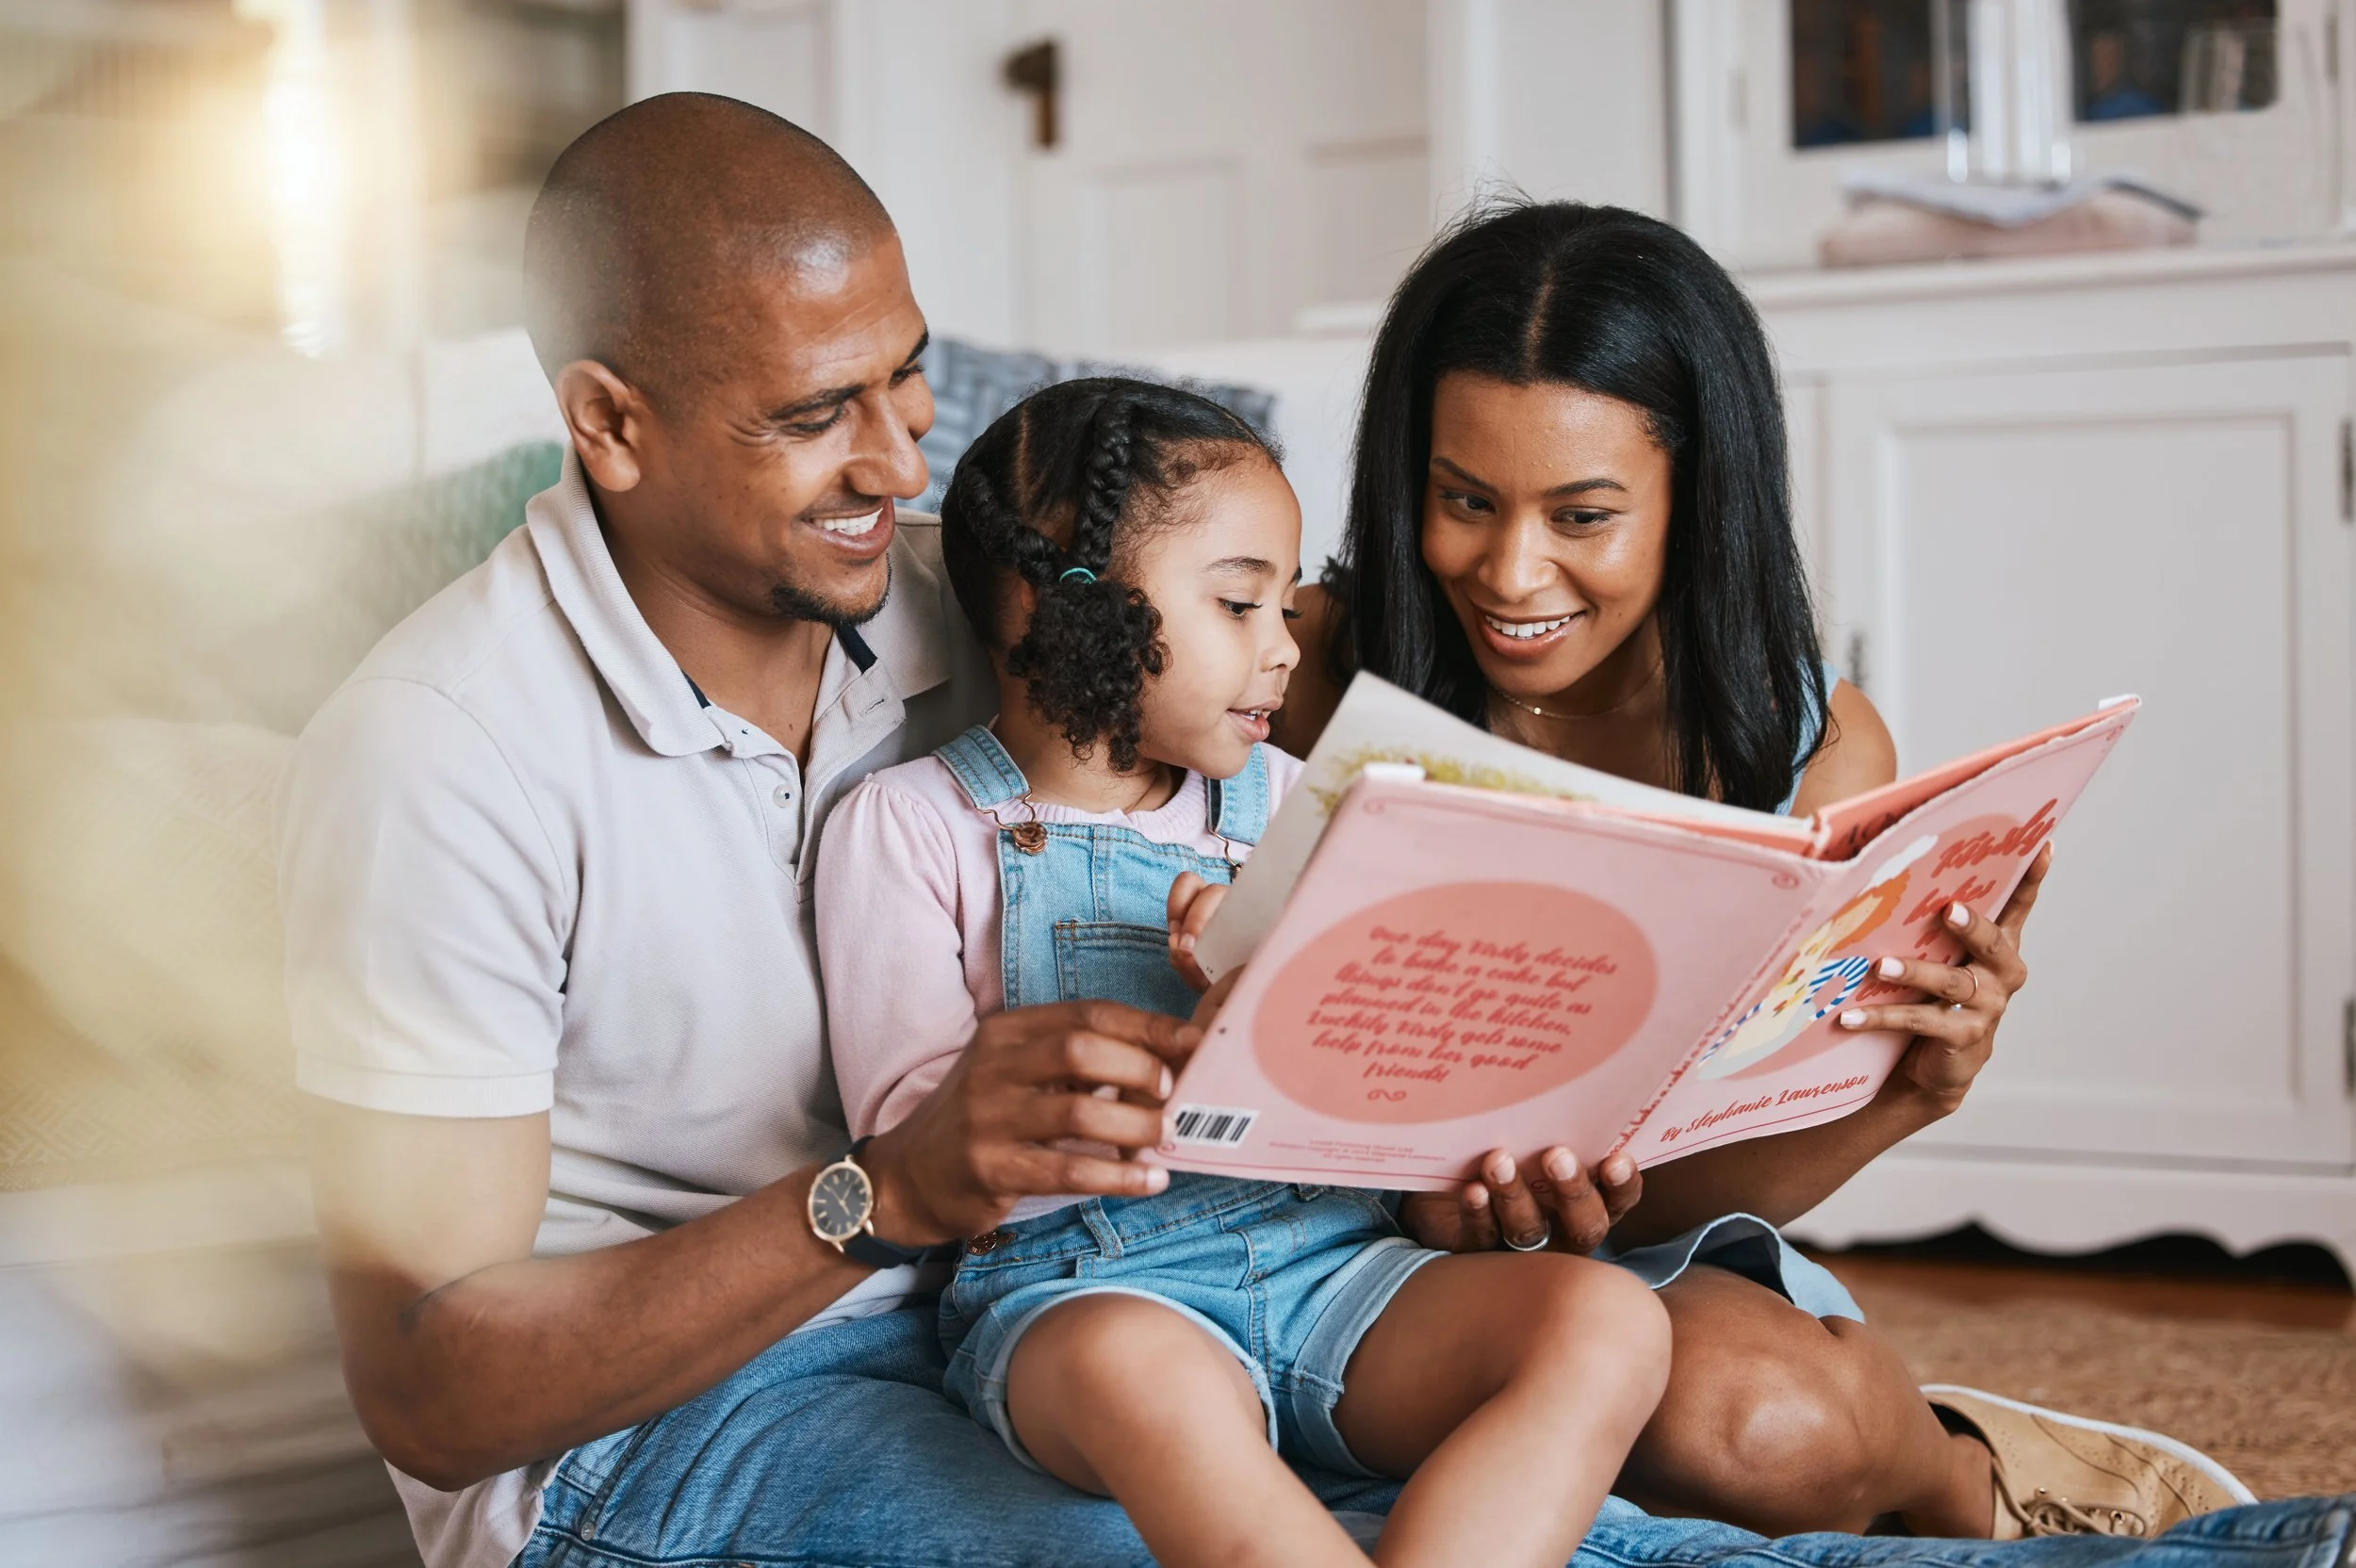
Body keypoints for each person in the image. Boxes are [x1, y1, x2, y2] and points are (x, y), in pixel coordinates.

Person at [281, 91, 2356, 1568]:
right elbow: (435, 1390)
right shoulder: (444, 753)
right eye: (820, 415)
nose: (895, 465)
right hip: (690, 1433)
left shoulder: (934, 602)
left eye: (911, 390)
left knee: (1539, 1452)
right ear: (610, 420)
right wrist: (881, 1191)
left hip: (1142, 1289)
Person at [1276, 198, 2253, 1542]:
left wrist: (1908, 1092)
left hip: (1607, 1258)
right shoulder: (1289, 659)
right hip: (1293, 1246)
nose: (1509, 570)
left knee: (1760, 1423)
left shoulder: (1811, 749)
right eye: (1463, 500)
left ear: (1697, 494)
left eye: (1584, 513)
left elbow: (1702, 1173)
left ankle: (1979, 1480)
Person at [818, 376, 1671, 1568]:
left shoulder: (1292, 801)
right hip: (1082, 1291)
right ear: (1046, 604)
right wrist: (1213, 1040)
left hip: (1340, 1264)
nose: (1284, 648)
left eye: (1283, 602)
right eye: (1237, 602)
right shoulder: (914, 825)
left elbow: (1387, 1094)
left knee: (1608, 1320)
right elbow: (927, 1158)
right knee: (1142, 1376)